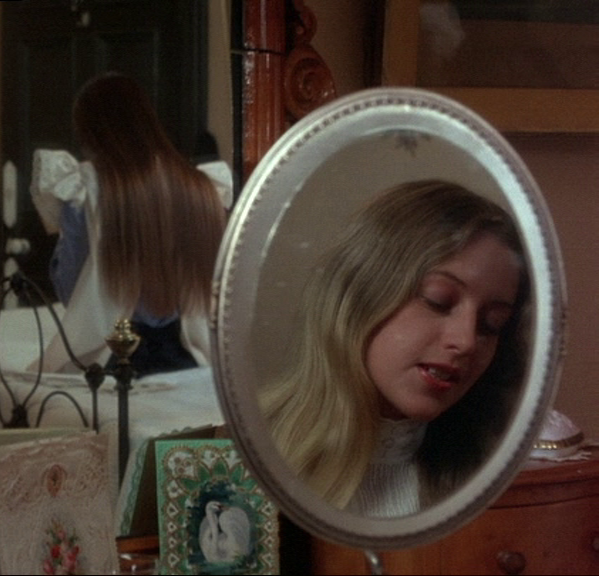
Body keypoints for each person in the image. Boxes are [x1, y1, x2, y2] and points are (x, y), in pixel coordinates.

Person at [259, 180, 529, 517]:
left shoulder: (501, 477)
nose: (466, 341)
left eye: (491, 324)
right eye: (438, 300)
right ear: (360, 294)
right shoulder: (243, 458)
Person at [29, 72, 232, 376]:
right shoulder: (202, 187)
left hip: (114, 360)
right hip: (190, 360)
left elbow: (74, 293)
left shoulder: (88, 189)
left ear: (91, 133)